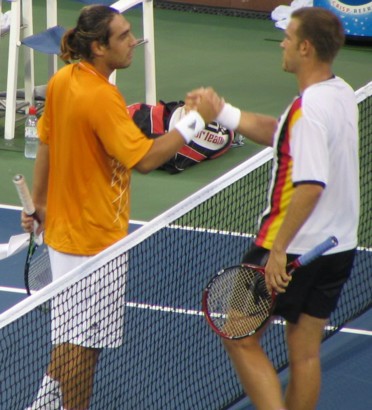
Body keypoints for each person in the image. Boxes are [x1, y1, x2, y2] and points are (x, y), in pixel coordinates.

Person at [21, 5, 222, 410]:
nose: (134, 41)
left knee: (71, 337)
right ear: (98, 47)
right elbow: (146, 159)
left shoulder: (63, 80)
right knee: (84, 348)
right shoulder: (101, 97)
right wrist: (194, 121)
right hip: (95, 244)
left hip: (64, 235)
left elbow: (46, 142)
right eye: (124, 36)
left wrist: (40, 203)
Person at [189, 6, 359, 410]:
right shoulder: (340, 93)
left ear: (304, 47)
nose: (281, 43)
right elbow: (284, 134)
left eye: (288, 37)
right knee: (305, 353)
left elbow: (310, 185)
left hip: (292, 247)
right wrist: (223, 114)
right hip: (337, 249)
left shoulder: (310, 109)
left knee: (240, 336)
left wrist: (279, 250)